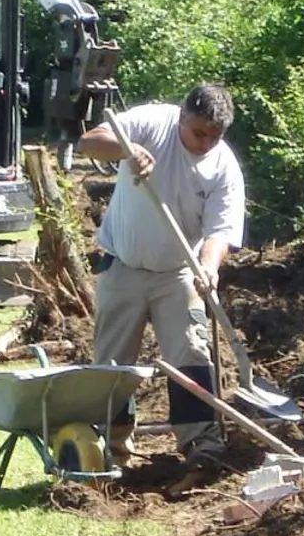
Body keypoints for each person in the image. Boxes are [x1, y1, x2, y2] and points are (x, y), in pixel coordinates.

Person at [75, 84, 245, 465]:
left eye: (215, 136)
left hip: (179, 272)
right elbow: (89, 142)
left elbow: (220, 231)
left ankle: (200, 443)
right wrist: (128, 150)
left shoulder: (224, 167)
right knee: (112, 364)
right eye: (199, 133)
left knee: (192, 352)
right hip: (124, 264)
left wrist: (209, 266)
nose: (206, 143)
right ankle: (112, 447)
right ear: (182, 117)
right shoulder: (152, 122)